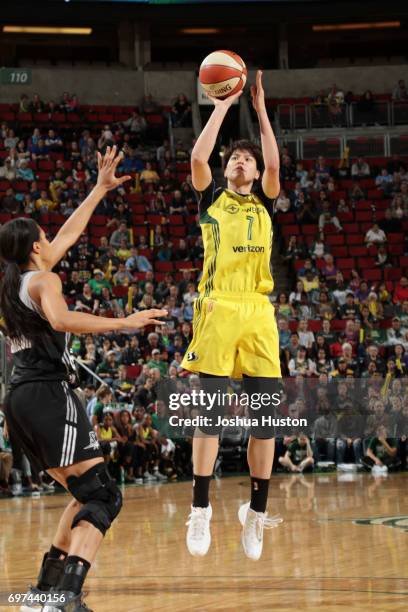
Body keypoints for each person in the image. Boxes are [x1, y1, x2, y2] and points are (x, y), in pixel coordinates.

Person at [0, 146, 167, 612]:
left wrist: (97, 189)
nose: (53, 238)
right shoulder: (44, 284)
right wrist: (125, 323)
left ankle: (41, 595)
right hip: (47, 394)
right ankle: (67, 599)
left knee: (83, 492)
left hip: (19, 398)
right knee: (105, 496)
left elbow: (68, 237)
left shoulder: (13, 282)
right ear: (36, 246)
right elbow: (61, 319)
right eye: (45, 236)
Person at [180, 71, 283, 562]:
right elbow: (199, 157)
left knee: (267, 421)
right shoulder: (210, 198)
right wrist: (221, 102)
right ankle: (200, 508)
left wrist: (260, 110)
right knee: (211, 413)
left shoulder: (265, 198)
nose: (243, 160)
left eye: (249, 158)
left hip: (259, 312)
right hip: (219, 306)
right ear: (226, 171)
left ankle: (256, 513)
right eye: (236, 158)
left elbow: (273, 161)